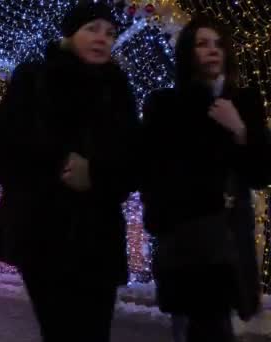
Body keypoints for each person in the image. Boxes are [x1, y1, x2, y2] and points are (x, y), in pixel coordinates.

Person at [0, 2, 140, 341]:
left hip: (99, 235)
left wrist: (95, 174)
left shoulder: (119, 90)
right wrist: (58, 166)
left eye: (110, 33)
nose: (102, 38)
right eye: (92, 29)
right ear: (70, 33)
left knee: (96, 332)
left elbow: (134, 163)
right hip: (42, 232)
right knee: (62, 331)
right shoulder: (34, 79)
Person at [141, 16, 271, 342]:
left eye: (218, 44)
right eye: (202, 43)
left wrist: (240, 130)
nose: (213, 51)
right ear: (188, 52)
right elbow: (153, 170)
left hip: (231, 236)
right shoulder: (165, 104)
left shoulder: (245, 103)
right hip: (186, 237)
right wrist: (163, 222)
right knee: (199, 325)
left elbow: (260, 173)